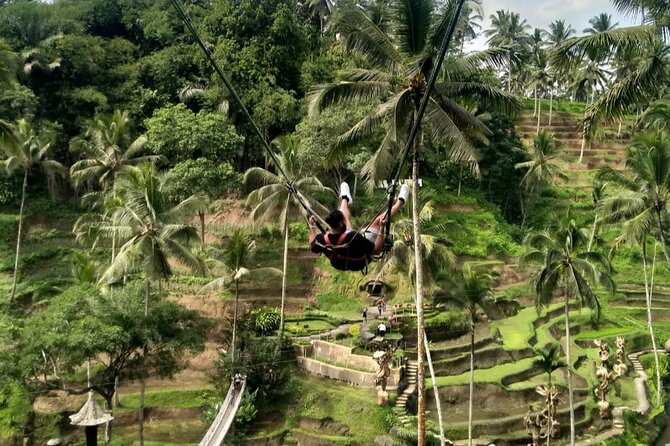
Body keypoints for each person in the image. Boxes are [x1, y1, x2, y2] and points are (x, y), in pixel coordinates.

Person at [309, 182, 409, 272]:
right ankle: (400, 202)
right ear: (340, 224)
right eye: (343, 220)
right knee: (379, 220)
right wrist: (382, 228)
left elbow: (312, 246)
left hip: (339, 263)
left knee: (343, 213)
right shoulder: (354, 237)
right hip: (359, 261)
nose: (345, 220)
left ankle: (345, 198)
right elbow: (376, 251)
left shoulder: (321, 238)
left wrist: (312, 226)